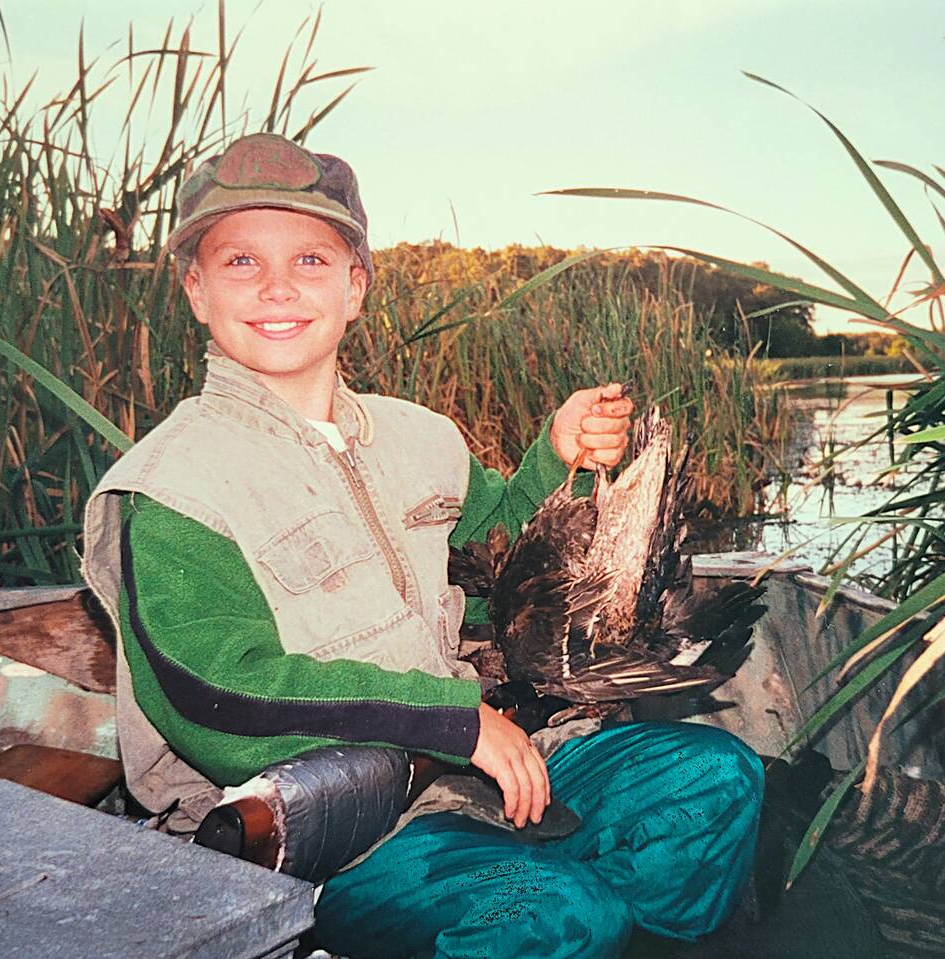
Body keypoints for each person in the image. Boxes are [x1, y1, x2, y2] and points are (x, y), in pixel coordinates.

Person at [82, 132, 765, 959]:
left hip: (476, 766)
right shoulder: (169, 486)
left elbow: (496, 567)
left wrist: (560, 457)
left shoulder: (419, 437)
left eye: (309, 260)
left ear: (355, 286)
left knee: (717, 781)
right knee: (558, 915)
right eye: (238, 262)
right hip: (324, 832)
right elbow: (215, 698)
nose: (275, 287)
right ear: (194, 289)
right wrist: (452, 721)